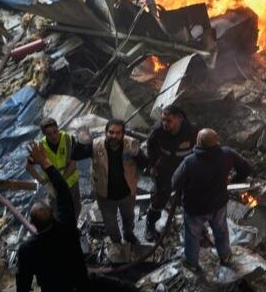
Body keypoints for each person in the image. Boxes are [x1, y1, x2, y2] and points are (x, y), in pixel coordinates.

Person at [17, 142, 166, 292]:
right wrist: (45, 162)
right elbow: (63, 191)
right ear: (52, 216)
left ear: (33, 224)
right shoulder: (65, 225)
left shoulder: (27, 249)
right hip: (81, 283)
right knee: (117, 288)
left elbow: (23, 281)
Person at [171, 129, 253, 271]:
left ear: (198, 142)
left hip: (195, 209)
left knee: (192, 236)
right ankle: (225, 257)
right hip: (218, 204)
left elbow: (174, 183)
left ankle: (192, 263)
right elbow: (246, 168)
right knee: (221, 231)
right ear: (216, 141)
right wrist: (233, 181)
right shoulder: (227, 154)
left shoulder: (189, 162)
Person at [71, 119, 148, 246]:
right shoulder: (96, 145)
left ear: (123, 134)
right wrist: (81, 142)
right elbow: (75, 155)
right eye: (111, 132)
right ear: (105, 132)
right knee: (110, 223)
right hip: (105, 195)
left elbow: (145, 163)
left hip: (127, 193)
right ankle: (116, 241)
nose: (114, 136)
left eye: (118, 133)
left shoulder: (130, 144)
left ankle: (128, 234)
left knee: (128, 217)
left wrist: (138, 153)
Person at [144, 104, 198, 242]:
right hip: (165, 169)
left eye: (169, 121)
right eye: (163, 120)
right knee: (159, 198)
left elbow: (199, 148)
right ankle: (150, 226)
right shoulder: (158, 131)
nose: (165, 124)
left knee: (188, 198)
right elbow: (151, 146)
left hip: (185, 169)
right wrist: (151, 165)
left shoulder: (191, 131)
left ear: (179, 119)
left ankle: (192, 228)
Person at [25, 118, 82, 218]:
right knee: (57, 211)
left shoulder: (69, 139)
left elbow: (73, 162)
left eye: (55, 132)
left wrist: (61, 181)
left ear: (58, 128)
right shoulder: (40, 147)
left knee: (75, 208)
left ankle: (73, 228)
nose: (54, 136)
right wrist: (44, 183)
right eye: (49, 134)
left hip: (71, 183)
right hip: (53, 186)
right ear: (44, 134)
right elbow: (29, 167)